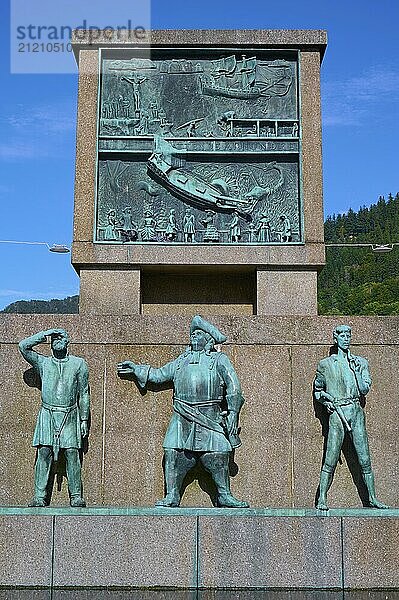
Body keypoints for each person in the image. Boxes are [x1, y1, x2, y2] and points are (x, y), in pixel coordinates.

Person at [117, 316, 249, 508]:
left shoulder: (220, 360)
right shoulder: (180, 361)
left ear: (209, 339)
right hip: (182, 417)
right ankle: (172, 494)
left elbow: (234, 388)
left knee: (219, 453)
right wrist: (138, 369)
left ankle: (224, 494)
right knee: (172, 453)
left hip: (210, 417)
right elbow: (158, 375)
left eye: (199, 334)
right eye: (192, 334)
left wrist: (233, 413)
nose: (194, 336)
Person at [314, 324, 388, 510]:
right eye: (342, 335)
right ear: (335, 338)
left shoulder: (361, 362)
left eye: (348, 335)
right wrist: (326, 401)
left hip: (355, 411)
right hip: (337, 413)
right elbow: (318, 390)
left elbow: (364, 389)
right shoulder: (326, 364)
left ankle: (372, 498)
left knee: (364, 458)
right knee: (330, 457)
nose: (346, 339)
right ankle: (322, 498)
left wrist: (356, 371)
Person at [19, 328, 90, 507]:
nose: (57, 340)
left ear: (68, 342)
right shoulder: (43, 362)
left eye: (61, 337)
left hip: (70, 414)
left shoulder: (79, 364)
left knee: (72, 454)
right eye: (54, 338)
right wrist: (45, 333)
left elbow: (84, 393)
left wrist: (84, 419)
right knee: (44, 452)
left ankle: (76, 496)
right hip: (48, 414)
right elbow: (23, 347)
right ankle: (39, 496)